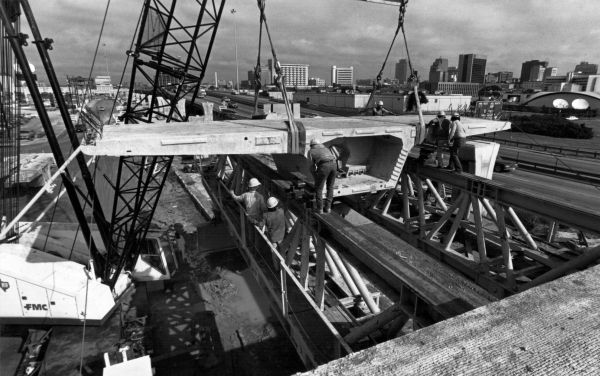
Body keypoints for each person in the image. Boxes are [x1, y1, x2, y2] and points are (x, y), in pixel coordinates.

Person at [307, 139, 337, 213]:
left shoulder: (311, 151)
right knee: (330, 187)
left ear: (311, 145)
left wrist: (315, 177)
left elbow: (311, 167)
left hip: (324, 166)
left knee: (319, 188)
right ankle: (328, 208)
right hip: (334, 165)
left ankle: (320, 209)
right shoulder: (326, 148)